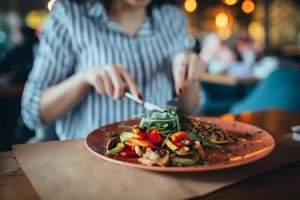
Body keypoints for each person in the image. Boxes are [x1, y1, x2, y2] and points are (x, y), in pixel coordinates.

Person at [21, 0, 206, 140]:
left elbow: (188, 108)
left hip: (160, 157)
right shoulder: (70, 14)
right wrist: (85, 78)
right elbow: (31, 112)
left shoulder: (173, 17)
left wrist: (191, 75)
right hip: (90, 164)